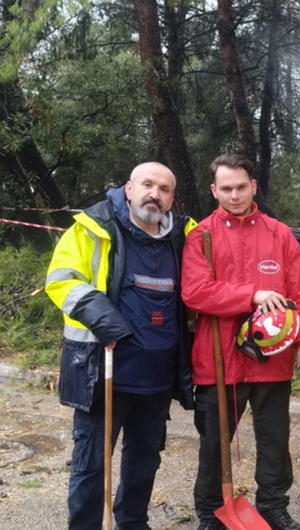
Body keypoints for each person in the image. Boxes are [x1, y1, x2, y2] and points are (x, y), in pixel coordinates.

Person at [46, 162, 196, 530]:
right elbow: (62, 279)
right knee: (91, 464)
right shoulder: (94, 227)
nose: (154, 194)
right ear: (128, 189)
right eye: (147, 185)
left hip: (157, 379)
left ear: (172, 199)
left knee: (144, 462)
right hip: (104, 373)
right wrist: (103, 318)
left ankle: (133, 523)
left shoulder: (184, 237)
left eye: (164, 189)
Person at [181, 154, 300, 530]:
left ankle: (273, 506)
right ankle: (210, 512)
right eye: (226, 188)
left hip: (272, 357)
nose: (235, 195)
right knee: (214, 442)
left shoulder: (279, 233)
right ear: (214, 191)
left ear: (253, 186)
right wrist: (252, 295)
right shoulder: (201, 235)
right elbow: (195, 292)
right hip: (218, 358)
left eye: (242, 187)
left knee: (275, 438)